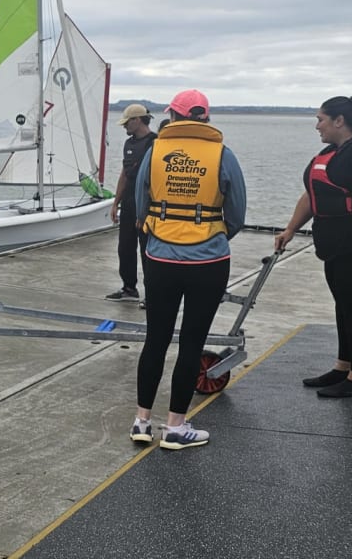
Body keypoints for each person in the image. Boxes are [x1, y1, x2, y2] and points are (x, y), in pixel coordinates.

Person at [129, 89, 246, 450]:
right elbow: (237, 212)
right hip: (208, 260)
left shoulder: (155, 151)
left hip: (161, 257)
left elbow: (140, 203)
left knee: (156, 339)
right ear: (205, 118)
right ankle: (177, 426)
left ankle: (142, 421)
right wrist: (214, 233)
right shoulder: (223, 154)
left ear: (175, 117)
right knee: (192, 342)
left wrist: (159, 232)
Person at [275, 95, 352, 398]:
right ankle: (343, 366)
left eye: (320, 119)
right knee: (343, 306)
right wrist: (291, 228)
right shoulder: (329, 153)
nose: (316, 126)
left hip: (350, 243)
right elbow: (312, 194)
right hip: (332, 243)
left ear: (339, 121)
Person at [105, 104, 157, 303]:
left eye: (127, 122)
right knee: (125, 247)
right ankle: (129, 289)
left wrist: (146, 211)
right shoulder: (128, 144)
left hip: (146, 205)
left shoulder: (156, 143)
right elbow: (125, 174)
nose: (124, 126)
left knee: (147, 250)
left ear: (138, 120)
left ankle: (152, 294)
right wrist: (115, 203)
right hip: (128, 203)